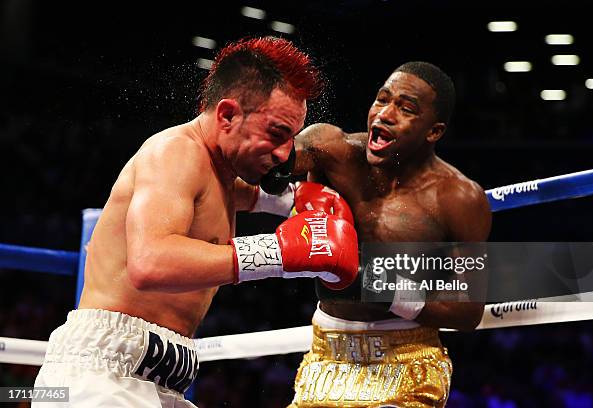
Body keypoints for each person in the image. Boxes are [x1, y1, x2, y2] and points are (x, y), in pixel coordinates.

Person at [32, 37, 359, 408]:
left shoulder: (218, 174)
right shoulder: (176, 152)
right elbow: (150, 262)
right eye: (276, 133)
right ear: (227, 115)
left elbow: (249, 194)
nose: (285, 153)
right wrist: (278, 251)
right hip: (101, 379)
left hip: (161, 381)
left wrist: (301, 200)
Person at [245, 61, 491, 407]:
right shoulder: (332, 149)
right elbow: (267, 160)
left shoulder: (460, 199)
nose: (386, 114)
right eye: (382, 99)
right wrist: (275, 168)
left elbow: (467, 313)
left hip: (406, 363)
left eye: (406, 109)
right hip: (326, 359)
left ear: (433, 132)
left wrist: (378, 287)